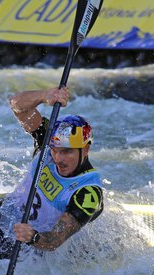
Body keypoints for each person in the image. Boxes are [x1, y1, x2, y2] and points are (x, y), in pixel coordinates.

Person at [7, 86, 104, 251]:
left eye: (67, 152)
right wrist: (44, 95)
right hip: (9, 216)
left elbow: (53, 240)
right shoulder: (47, 141)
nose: (58, 158)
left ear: (85, 150)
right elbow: (17, 106)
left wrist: (32, 236)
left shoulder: (87, 192)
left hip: (34, 247)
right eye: (55, 150)